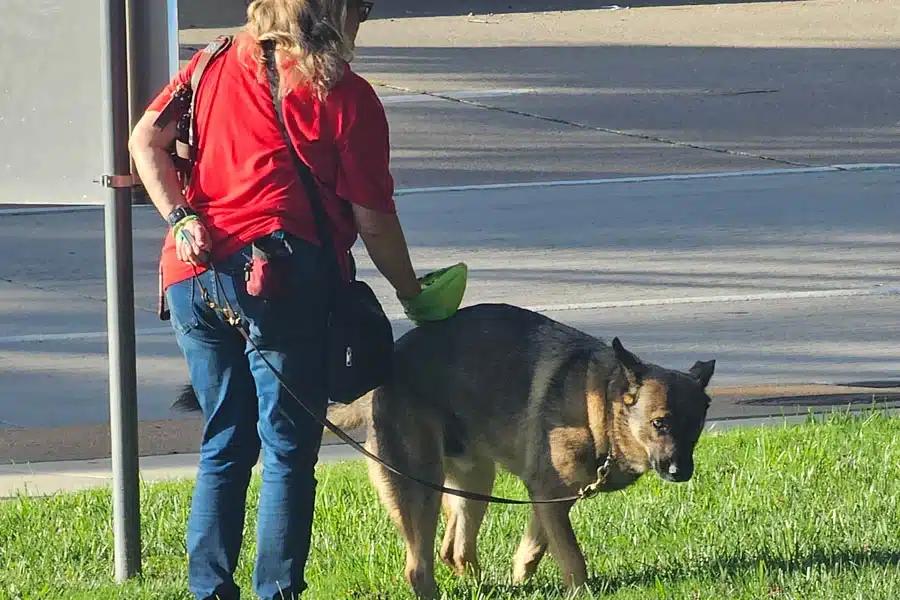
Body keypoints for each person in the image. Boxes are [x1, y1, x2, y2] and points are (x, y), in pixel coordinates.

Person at [128, 1, 428, 598]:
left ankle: (209, 588)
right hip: (282, 281)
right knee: (288, 449)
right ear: (335, 10)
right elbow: (374, 220)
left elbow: (145, 141)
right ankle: (277, 592)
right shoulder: (346, 95)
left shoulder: (211, 61)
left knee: (225, 440)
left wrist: (182, 217)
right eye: (361, 6)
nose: (364, 17)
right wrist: (411, 290)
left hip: (195, 274)